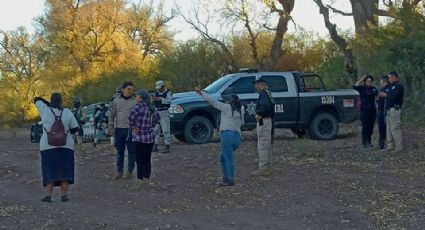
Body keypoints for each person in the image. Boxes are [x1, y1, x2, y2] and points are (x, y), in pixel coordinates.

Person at [34, 93, 79, 202]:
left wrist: (48, 104)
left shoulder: (45, 110)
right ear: (61, 101)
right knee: (65, 170)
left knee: (49, 170)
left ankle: (48, 196)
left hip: (47, 146)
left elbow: (37, 99)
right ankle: (64, 195)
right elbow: (74, 128)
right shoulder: (67, 112)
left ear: (51, 101)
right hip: (66, 146)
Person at [194, 87, 243, 186]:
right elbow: (242, 123)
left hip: (227, 135)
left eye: (227, 99)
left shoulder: (226, 107)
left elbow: (212, 101)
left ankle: (229, 179)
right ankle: (226, 177)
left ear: (230, 100)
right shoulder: (241, 110)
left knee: (227, 158)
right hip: (237, 136)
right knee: (223, 157)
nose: (225, 100)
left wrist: (201, 93)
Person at [129, 89, 160, 187]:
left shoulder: (138, 107)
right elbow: (157, 119)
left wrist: (133, 127)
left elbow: (130, 117)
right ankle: (147, 178)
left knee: (139, 159)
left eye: (137, 95)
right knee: (147, 159)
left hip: (139, 137)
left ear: (141, 97)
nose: (136, 97)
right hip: (150, 137)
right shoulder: (152, 108)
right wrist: (151, 125)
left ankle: (140, 179)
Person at [108, 82, 137, 180]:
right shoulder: (116, 101)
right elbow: (111, 116)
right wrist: (111, 128)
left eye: (132, 89)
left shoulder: (135, 101)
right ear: (123, 89)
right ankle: (119, 171)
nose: (131, 91)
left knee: (131, 151)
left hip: (131, 130)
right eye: (129, 89)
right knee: (120, 151)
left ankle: (129, 171)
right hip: (119, 130)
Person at [251, 77, 275, 177]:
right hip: (268, 121)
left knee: (263, 144)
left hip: (264, 121)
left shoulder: (264, 93)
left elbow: (266, 105)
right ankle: (268, 167)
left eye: (257, 84)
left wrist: (259, 113)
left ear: (261, 84)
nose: (255, 86)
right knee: (267, 144)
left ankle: (263, 168)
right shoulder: (268, 93)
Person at [379, 71, 404, 151]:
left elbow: (394, 97)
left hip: (395, 109)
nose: (388, 79)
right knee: (389, 129)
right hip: (388, 110)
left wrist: (385, 95)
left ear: (394, 77)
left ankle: (399, 147)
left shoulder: (399, 85)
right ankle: (390, 146)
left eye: (389, 77)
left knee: (395, 128)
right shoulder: (391, 86)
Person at [353, 75, 378, 148]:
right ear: (365, 82)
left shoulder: (374, 88)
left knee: (371, 126)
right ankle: (364, 142)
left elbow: (377, 96)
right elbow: (355, 86)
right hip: (364, 110)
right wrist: (361, 79)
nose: (369, 82)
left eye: (370, 81)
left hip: (372, 110)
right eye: (367, 81)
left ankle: (369, 141)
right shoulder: (362, 88)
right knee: (365, 126)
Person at [152, 80, 173, 153]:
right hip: (156, 112)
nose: (158, 89)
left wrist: (160, 99)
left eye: (160, 87)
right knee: (155, 130)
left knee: (166, 129)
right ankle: (155, 145)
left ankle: (167, 145)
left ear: (163, 86)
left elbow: (169, 102)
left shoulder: (168, 93)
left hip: (164, 112)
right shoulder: (155, 92)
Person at [377, 75, 391, 149]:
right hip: (380, 110)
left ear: (384, 81)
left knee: (387, 128)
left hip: (386, 111)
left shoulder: (390, 88)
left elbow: (392, 97)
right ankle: (381, 144)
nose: (380, 83)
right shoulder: (381, 89)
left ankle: (389, 143)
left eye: (380, 81)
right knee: (381, 128)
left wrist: (385, 95)